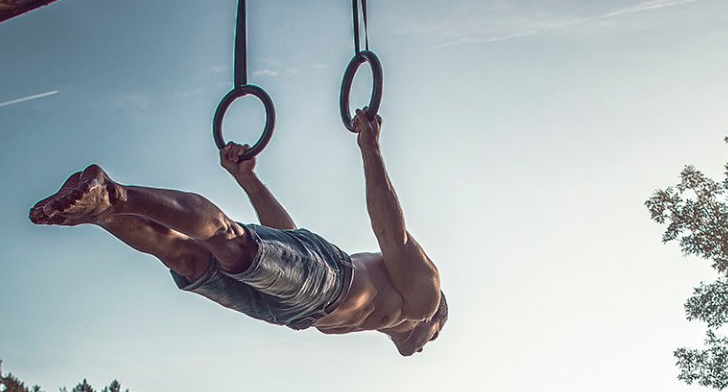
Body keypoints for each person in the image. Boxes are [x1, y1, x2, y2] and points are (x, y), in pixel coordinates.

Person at [29, 112, 446, 356]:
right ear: (438, 317)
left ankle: (100, 213)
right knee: (233, 245)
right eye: (437, 334)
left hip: (290, 312)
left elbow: (287, 238)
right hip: (334, 282)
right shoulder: (424, 299)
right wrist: (370, 148)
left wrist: (249, 181)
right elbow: (391, 232)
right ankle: (117, 195)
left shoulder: (376, 321)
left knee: (189, 262)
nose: (427, 344)